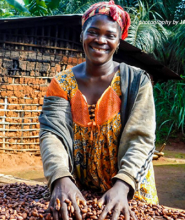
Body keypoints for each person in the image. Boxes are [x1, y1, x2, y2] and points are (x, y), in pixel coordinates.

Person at [39, 1, 158, 220]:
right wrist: (60, 178)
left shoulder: (136, 81)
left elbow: (140, 139)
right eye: (93, 32)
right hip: (82, 193)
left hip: (130, 192)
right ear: (82, 33)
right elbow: (52, 134)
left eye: (110, 35)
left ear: (119, 41)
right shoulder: (62, 83)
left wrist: (123, 185)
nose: (100, 40)